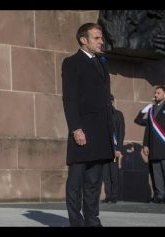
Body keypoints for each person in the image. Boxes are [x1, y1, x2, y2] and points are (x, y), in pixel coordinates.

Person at [62, 22, 115, 227]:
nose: (101, 41)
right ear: (83, 40)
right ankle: (76, 221)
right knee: (76, 181)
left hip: (101, 132)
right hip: (82, 131)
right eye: (97, 38)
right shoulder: (72, 62)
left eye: (101, 38)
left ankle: (92, 219)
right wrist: (76, 128)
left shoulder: (102, 62)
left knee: (94, 181)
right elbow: (70, 98)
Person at [142, 85, 165, 204]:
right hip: (153, 147)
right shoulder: (151, 109)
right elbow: (148, 128)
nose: (155, 95)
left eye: (158, 93)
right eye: (155, 93)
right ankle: (159, 194)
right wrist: (145, 144)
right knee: (156, 171)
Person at [102, 94, 125, 204]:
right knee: (105, 173)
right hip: (104, 148)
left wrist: (119, 148)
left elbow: (121, 132)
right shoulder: (101, 114)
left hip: (114, 148)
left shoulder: (118, 114)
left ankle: (115, 195)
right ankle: (108, 195)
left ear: (111, 101)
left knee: (114, 172)